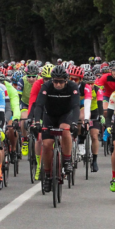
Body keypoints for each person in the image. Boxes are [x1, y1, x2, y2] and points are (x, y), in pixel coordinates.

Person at [32, 65, 79, 194]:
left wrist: (74, 123)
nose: (58, 84)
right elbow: (39, 105)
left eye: (61, 81)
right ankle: (47, 175)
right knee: (46, 145)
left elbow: (75, 107)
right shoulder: (46, 87)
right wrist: (36, 122)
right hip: (50, 116)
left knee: (65, 130)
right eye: (55, 81)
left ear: (66, 80)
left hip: (66, 115)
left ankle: (67, 159)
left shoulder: (72, 87)